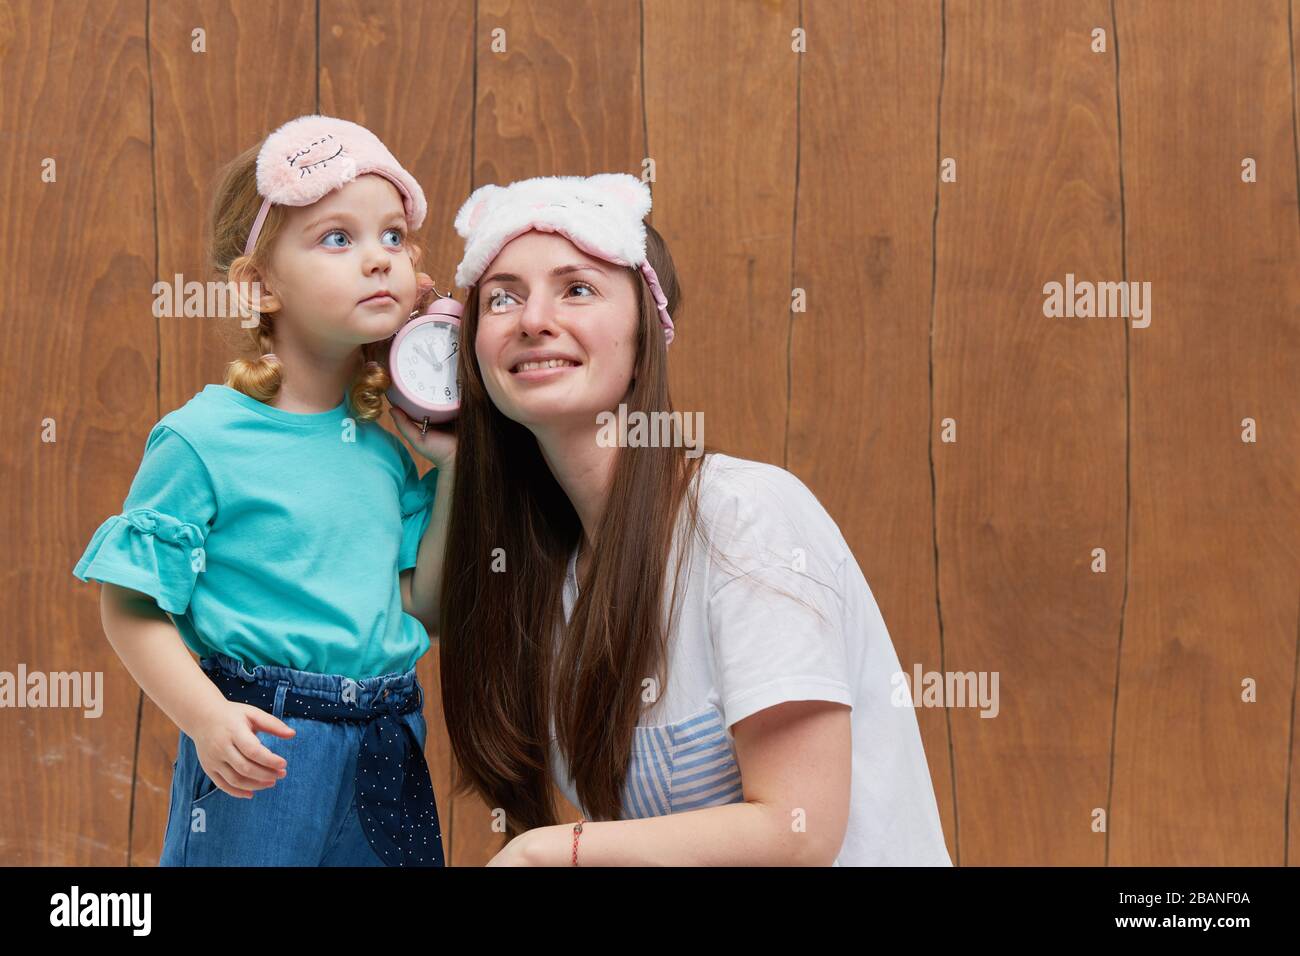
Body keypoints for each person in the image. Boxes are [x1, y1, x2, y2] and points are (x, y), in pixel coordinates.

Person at [435, 172, 953, 865]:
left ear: (646, 335)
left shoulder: (744, 517)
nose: (533, 319)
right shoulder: (550, 579)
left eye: (578, 288)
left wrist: (547, 851)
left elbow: (798, 832)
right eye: (502, 297)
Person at [72, 115, 453, 866]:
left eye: (393, 238)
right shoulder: (203, 439)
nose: (379, 260)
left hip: (387, 733)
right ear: (261, 286)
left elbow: (423, 609)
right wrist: (208, 718)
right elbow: (130, 603)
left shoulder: (387, 445)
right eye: (337, 239)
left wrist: (456, 469)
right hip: (266, 743)